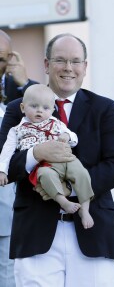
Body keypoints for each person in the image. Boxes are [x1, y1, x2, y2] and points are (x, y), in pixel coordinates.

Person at [0, 33, 114, 287]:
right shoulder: (19, 108)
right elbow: (6, 164)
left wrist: (69, 189)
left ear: (85, 67)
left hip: (93, 231)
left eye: (75, 61)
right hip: (36, 233)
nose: (68, 68)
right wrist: (36, 154)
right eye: (60, 60)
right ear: (46, 65)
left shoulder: (106, 108)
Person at [0, 84, 95, 229]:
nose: (39, 110)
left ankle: (85, 209)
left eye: (45, 108)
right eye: (33, 106)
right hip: (44, 165)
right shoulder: (17, 130)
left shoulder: (56, 123)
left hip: (65, 160)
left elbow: (74, 137)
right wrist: (2, 170)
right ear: (22, 108)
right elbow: (6, 151)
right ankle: (63, 201)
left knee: (81, 172)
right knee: (45, 176)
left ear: (52, 110)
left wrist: (66, 136)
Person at [0, 29, 38, 287]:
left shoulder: (18, 91)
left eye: (2, 58)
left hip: (7, 212)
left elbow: (47, 117)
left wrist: (25, 82)